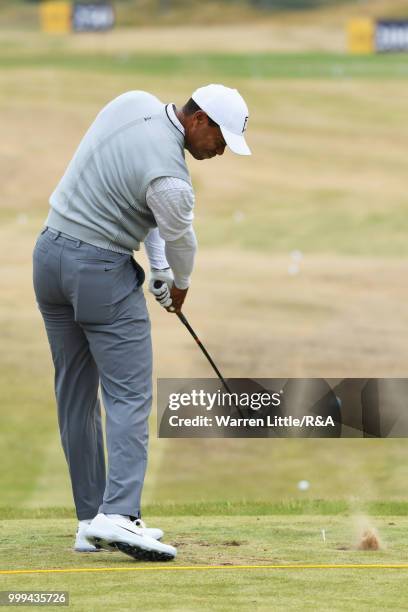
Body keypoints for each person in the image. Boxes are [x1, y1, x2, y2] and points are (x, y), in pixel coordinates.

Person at [32, 84, 251, 562]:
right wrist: (179, 281)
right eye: (221, 140)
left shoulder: (134, 103)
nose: (220, 152)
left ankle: (91, 521)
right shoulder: (174, 180)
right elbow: (181, 240)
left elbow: (141, 205)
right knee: (129, 393)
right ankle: (122, 515)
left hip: (49, 255)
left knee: (75, 393)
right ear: (199, 121)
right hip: (99, 271)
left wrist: (158, 270)